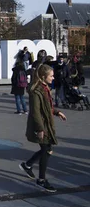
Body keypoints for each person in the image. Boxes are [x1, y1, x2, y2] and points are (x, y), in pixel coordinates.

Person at [19, 64, 67, 193]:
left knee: (47, 149)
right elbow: (35, 112)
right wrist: (40, 129)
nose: (53, 78)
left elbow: (47, 107)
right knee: (47, 150)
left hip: (46, 124)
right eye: (51, 76)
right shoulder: (36, 91)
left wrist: (57, 112)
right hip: (41, 126)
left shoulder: (45, 88)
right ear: (43, 77)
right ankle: (41, 180)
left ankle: (27, 165)